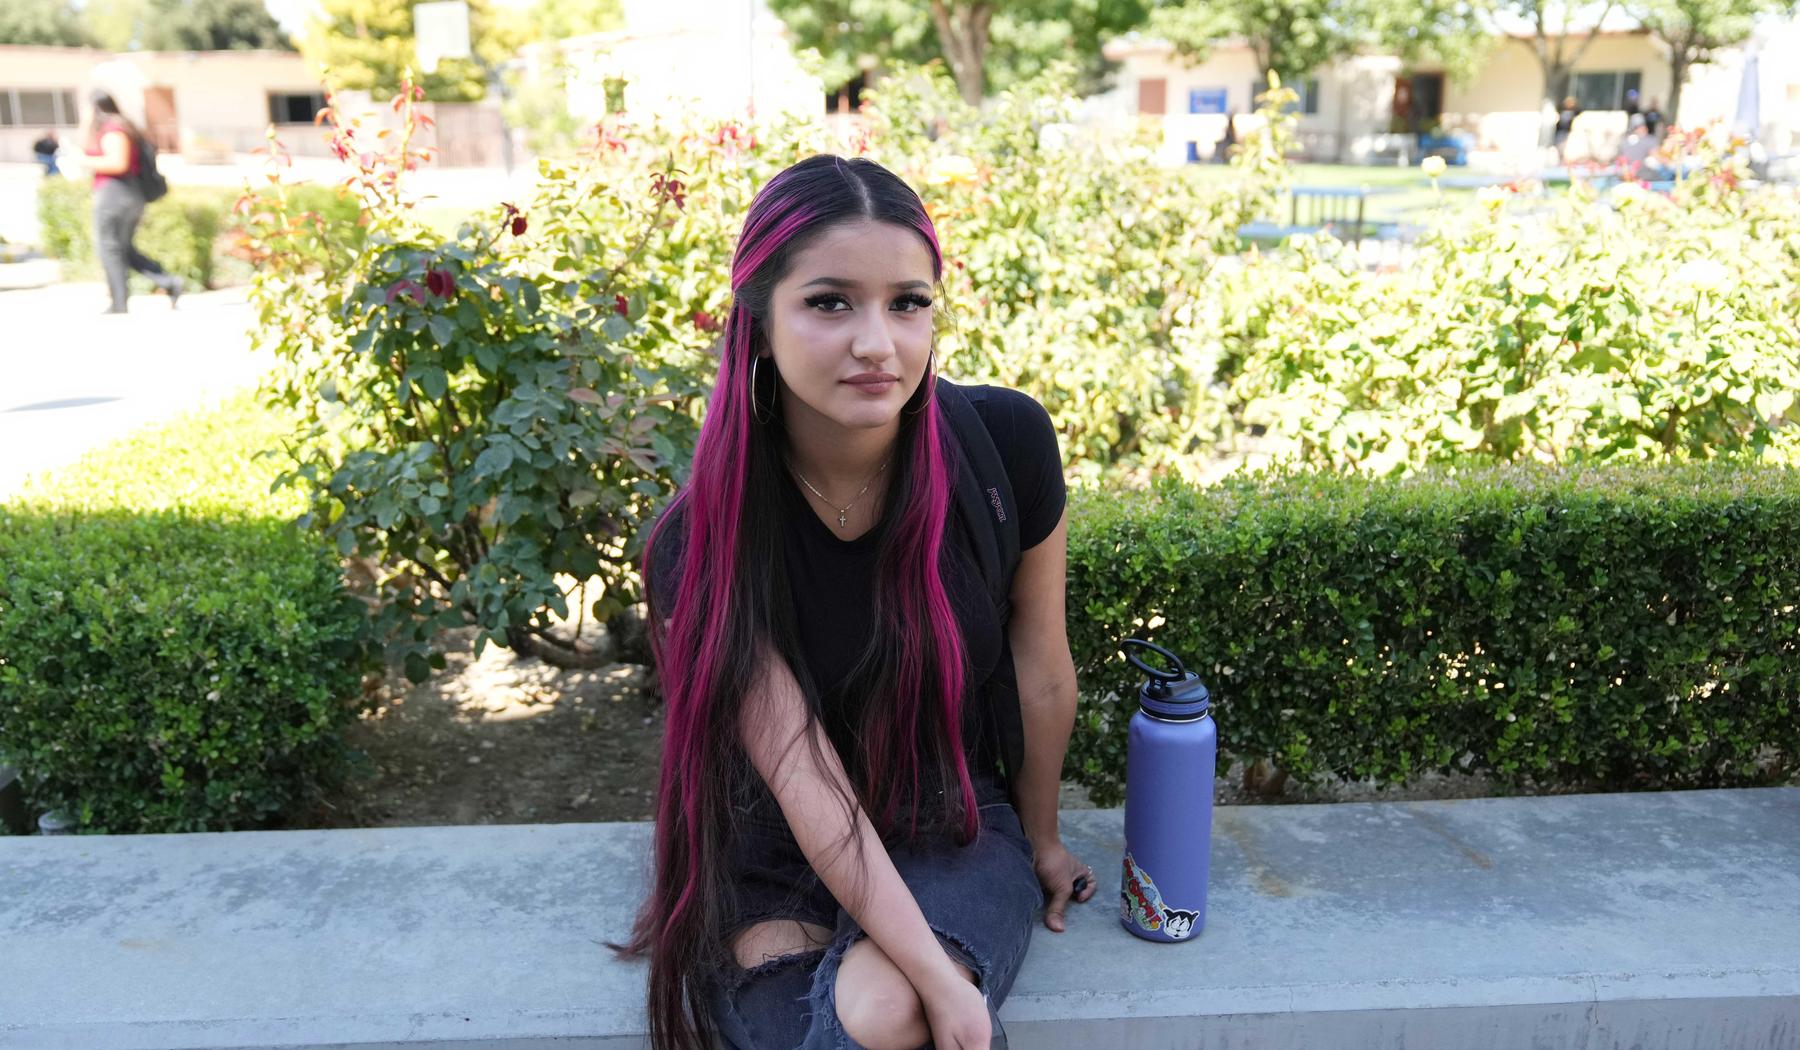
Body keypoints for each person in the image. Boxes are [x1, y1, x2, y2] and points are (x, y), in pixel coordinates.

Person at [614, 154, 1096, 1050]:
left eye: (907, 303)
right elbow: (801, 777)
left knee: (878, 1009)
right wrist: (947, 990)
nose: (878, 343)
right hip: (776, 843)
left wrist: (1041, 842)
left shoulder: (1006, 446)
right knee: (866, 1016)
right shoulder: (705, 537)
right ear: (758, 325)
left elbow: (1042, 671)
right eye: (831, 302)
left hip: (945, 816)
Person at [82, 90, 181, 314]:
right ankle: (168, 282)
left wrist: (82, 160)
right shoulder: (123, 126)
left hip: (115, 194)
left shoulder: (113, 129)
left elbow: (118, 163)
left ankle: (119, 302)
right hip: (127, 194)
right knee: (123, 249)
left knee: (109, 247)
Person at [1554, 95, 1581, 165]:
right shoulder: (1562, 110)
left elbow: (1578, 112)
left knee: (1567, 149)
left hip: (1568, 133)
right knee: (1559, 148)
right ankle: (1560, 162)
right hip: (1560, 132)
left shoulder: (1574, 112)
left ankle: (1565, 163)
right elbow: (1558, 108)